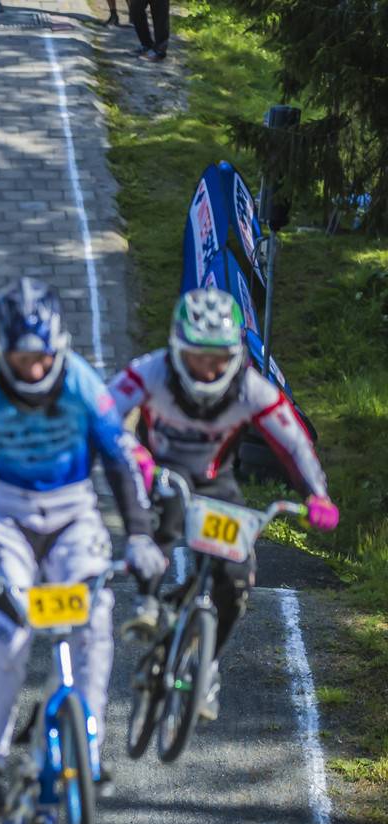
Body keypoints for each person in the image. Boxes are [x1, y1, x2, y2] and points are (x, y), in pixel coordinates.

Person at [0, 278, 165, 815]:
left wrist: (138, 535)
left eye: (40, 357)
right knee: (5, 639)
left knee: (93, 620)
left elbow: (119, 461)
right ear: (1, 352)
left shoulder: (84, 383)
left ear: (57, 347)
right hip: (10, 516)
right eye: (20, 357)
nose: (32, 369)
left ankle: (89, 744)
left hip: (74, 513)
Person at [108, 288, 338, 717]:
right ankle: (149, 603)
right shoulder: (149, 371)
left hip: (215, 483)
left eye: (218, 356)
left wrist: (317, 493)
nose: (209, 367)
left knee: (236, 581)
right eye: (197, 355)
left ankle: (208, 664)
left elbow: (295, 443)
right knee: (163, 522)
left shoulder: (252, 389)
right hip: (156, 472)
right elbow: (100, 413)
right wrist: (129, 451)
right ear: (177, 347)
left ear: (236, 354)